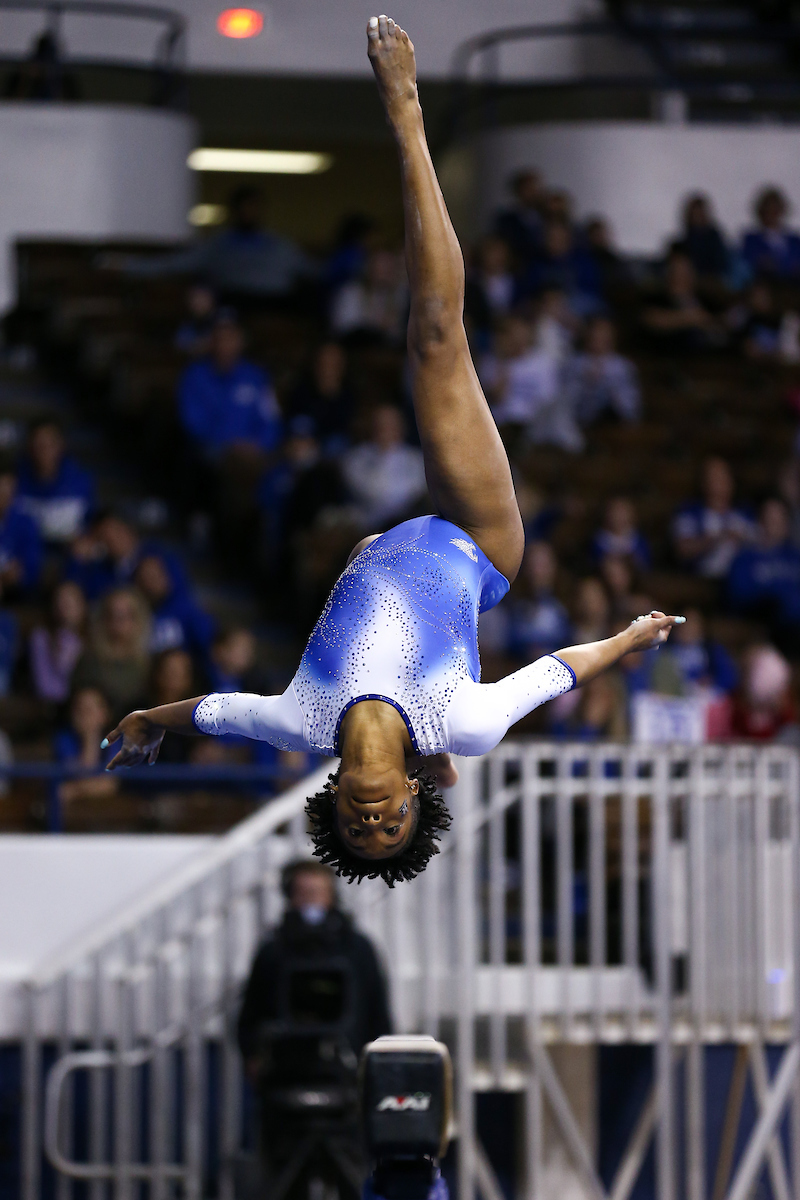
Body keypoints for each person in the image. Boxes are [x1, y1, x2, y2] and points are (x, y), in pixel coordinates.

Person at [104, 16, 680, 888]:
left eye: (358, 829)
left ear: (334, 800)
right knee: (437, 340)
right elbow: (563, 669)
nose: (374, 822)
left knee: (419, 353)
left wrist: (148, 716)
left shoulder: (300, 720)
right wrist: (629, 639)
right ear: (415, 793)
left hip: (385, 545)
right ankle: (409, 115)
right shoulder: (463, 723)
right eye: (393, 827)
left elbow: (208, 712)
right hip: (477, 541)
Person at [237, 859, 392, 1074]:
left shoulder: (356, 947)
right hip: (286, 1064)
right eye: (304, 892)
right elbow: (252, 1008)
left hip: (346, 1060)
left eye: (318, 892)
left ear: (331, 896)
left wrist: (379, 1058)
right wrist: (252, 1054)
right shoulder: (274, 949)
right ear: (290, 897)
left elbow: (376, 1007)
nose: (311, 899)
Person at [178, 312, 282, 461]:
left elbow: (270, 419)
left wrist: (258, 445)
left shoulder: (257, 377)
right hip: (213, 450)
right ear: (212, 342)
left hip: (253, 452)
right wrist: (230, 445)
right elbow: (192, 422)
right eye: (219, 338)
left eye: (230, 338)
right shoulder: (195, 375)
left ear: (241, 341)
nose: (224, 345)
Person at [727, 498, 800, 653]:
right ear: (760, 521)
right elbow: (738, 597)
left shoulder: (794, 556)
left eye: (779, 519)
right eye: (769, 519)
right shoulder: (746, 558)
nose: (774, 524)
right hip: (766, 621)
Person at [341, 405, 426, 529]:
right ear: (371, 426)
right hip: (366, 525)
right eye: (381, 424)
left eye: (391, 424)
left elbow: (414, 492)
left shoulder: (416, 459)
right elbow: (369, 492)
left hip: (407, 524)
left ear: (402, 427)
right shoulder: (355, 458)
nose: (385, 429)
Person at [73, 586, 151, 721]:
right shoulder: (89, 662)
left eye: (125, 615)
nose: (118, 622)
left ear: (138, 620)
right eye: (112, 615)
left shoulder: (148, 664)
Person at [672, 457, 756, 579]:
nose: (719, 481)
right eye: (713, 477)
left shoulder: (744, 513)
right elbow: (682, 549)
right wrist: (716, 540)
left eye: (723, 476)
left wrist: (742, 539)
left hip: (743, 580)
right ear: (703, 482)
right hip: (703, 580)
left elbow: (762, 542)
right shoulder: (690, 513)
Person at [16, 419, 95, 544]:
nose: (45, 450)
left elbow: (92, 522)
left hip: (69, 556)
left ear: (61, 445)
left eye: (50, 444)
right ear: (30, 447)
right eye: (39, 444)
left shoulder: (81, 481)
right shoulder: (15, 481)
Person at [561, 317, 641, 427]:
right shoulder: (574, 363)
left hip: (614, 423)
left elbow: (630, 404)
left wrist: (606, 385)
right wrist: (586, 382)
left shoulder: (623, 366)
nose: (598, 337)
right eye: (595, 333)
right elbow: (565, 398)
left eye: (603, 334)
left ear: (611, 338)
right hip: (578, 421)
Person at [134, 553, 216, 659]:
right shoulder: (133, 613)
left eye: (157, 575)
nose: (154, 581)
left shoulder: (188, 609)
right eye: (147, 577)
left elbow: (210, 647)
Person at [642, 251, 725, 352]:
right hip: (675, 359)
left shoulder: (707, 300)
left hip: (713, 356)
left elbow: (723, 323)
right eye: (676, 271)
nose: (682, 276)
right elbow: (653, 320)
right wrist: (692, 318)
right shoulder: (657, 299)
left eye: (686, 271)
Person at [28, 580, 87, 704]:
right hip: (54, 706)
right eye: (61, 601)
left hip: (86, 705)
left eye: (71, 601)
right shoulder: (41, 638)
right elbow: (44, 686)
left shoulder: (92, 637)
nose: (65, 607)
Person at [741, 187, 800, 281]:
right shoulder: (751, 239)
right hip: (766, 284)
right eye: (768, 210)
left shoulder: (794, 240)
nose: (772, 214)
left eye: (775, 210)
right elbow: (750, 262)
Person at [0, 465, 42, 593]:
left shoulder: (26, 523)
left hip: (16, 596)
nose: (3, 494)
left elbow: (30, 570)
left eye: (8, 487)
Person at [494, 168, 544, 267]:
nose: (532, 193)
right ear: (518, 191)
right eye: (528, 189)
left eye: (535, 188)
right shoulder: (507, 221)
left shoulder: (546, 218)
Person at [673, 194, 729, 282]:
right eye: (696, 214)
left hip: (713, 281)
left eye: (701, 213)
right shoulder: (685, 242)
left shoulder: (715, 239)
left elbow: (721, 263)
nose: (699, 217)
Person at [591, 497, 651, 571]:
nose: (619, 517)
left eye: (623, 512)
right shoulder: (599, 540)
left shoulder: (638, 539)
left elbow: (646, 564)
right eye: (615, 512)